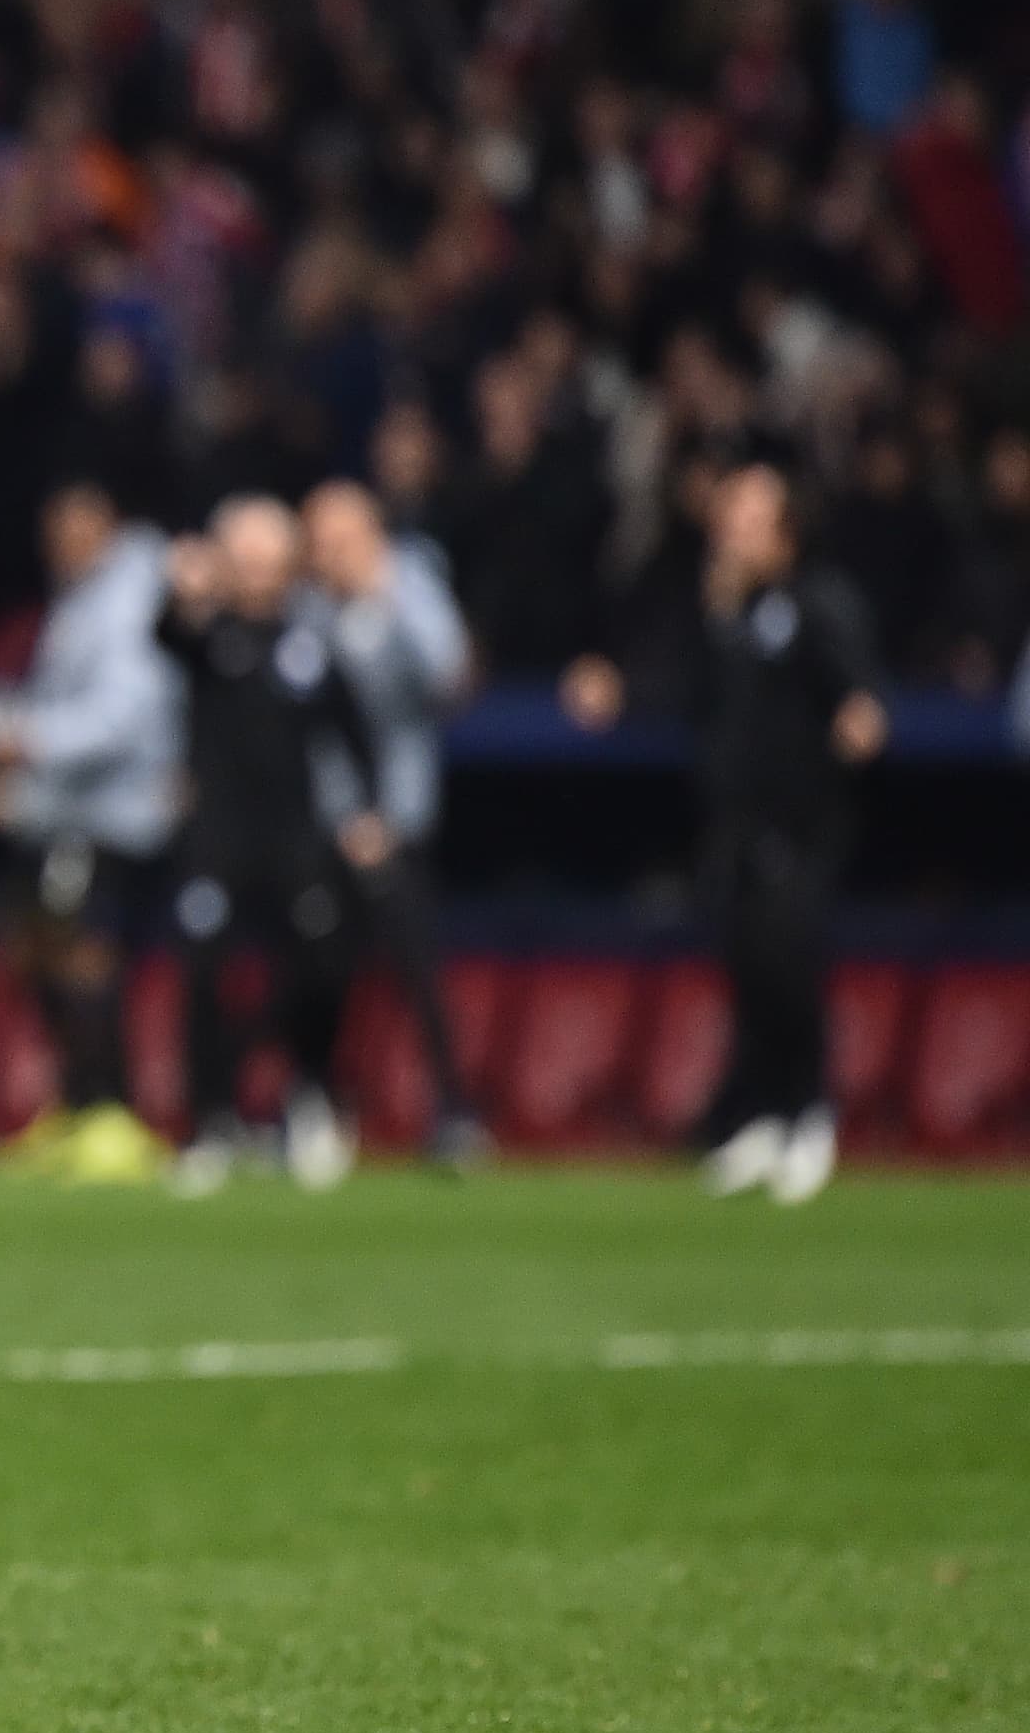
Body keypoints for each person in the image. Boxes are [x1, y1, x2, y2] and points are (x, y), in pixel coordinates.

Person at [563, 464, 886, 1204]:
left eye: (749, 519)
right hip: (733, 825)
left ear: (787, 529)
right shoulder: (726, 613)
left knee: (790, 969)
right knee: (747, 971)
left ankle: (810, 1116)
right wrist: (620, 688)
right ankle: (764, 1116)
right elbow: (684, 691)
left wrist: (860, 715)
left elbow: (857, 690)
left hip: (800, 823)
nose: (732, 532)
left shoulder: (818, 602)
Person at [154, 496, 392, 1195]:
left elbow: (354, 730)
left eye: (269, 560)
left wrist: (368, 811)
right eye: (246, 560)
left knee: (320, 963)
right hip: (218, 834)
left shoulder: (309, 646)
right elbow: (166, 635)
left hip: (294, 833)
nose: (258, 573)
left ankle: (310, 1096)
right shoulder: (208, 638)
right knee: (203, 970)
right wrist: (181, 593)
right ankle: (210, 1122)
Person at [0, 480, 182, 1181]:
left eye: (77, 527)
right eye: (55, 530)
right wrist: (20, 795)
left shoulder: (129, 601)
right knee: (35, 948)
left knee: (88, 958)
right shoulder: (79, 599)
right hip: (65, 816)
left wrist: (25, 743)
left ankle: (113, 1116)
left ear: (107, 528)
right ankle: (76, 1106)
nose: (62, 542)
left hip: (116, 816)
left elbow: (121, 720)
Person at [298, 481, 483, 1168]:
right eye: (318, 541)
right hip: (334, 821)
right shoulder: (312, 610)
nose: (327, 554)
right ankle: (318, 1104)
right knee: (319, 967)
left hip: (400, 818)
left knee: (416, 966)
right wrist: (346, 817)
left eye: (339, 539)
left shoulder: (410, 584)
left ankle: (455, 1112)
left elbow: (448, 675)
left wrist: (386, 596)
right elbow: (311, 727)